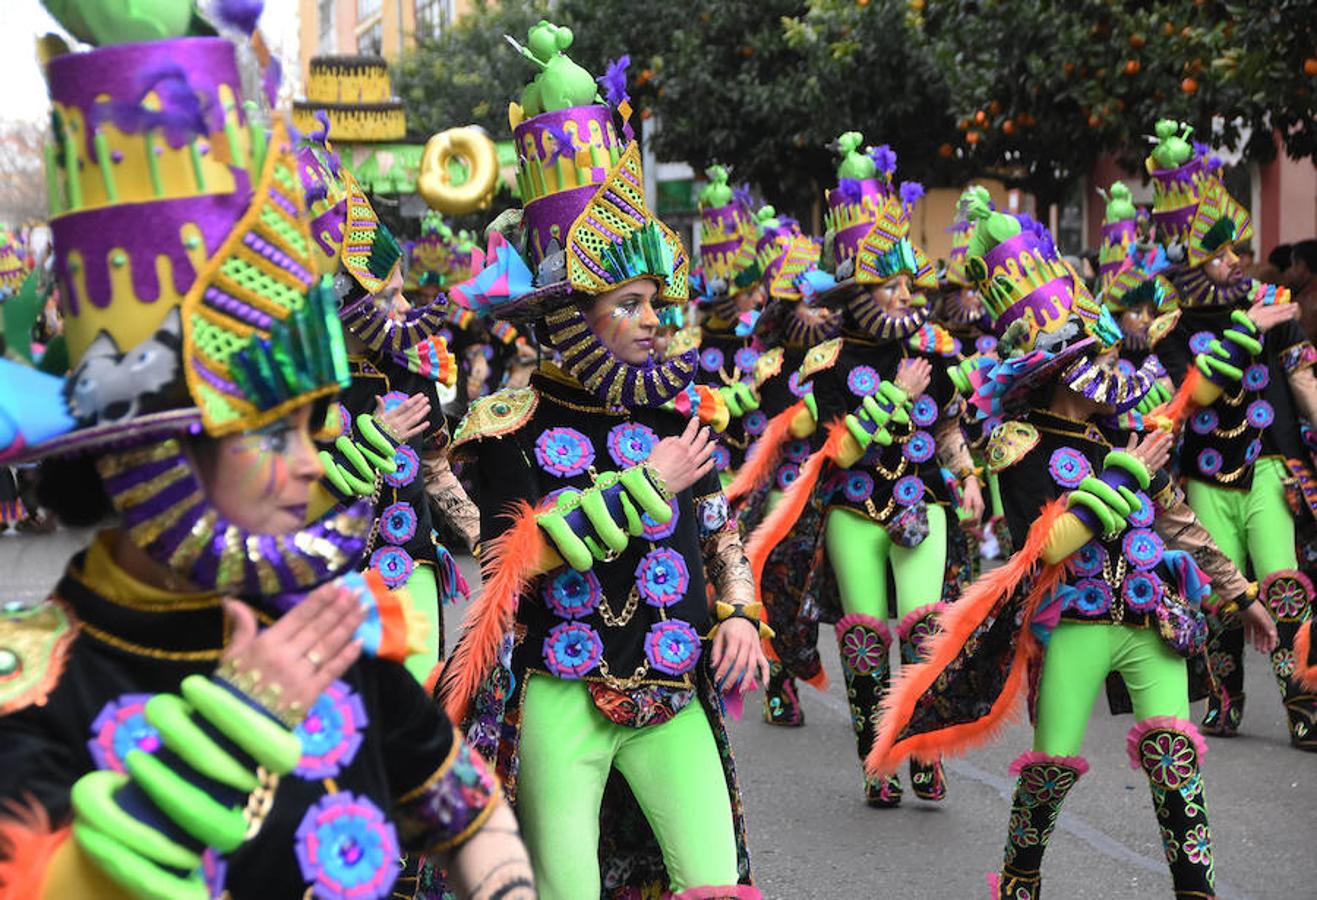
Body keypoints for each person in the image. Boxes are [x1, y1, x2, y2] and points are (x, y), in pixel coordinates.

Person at [0, 8, 530, 898]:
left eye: (310, 426)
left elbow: (468, 811)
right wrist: (238, 727)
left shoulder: (326, 624)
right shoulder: (36, 682)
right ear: (158, 456)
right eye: (271, 433)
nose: (312, 465)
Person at [427, 26, 767, 899]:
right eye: (631, 302)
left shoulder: (676, 410)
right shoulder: (504, 427)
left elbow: (718, 525)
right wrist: (646, 484)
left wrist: (735, 614)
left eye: (656, 301)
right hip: (555, 696)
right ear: (573, 314)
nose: (655, 319)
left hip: (671, 688)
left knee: (716, 884)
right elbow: (515, 557)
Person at [867, 188, 1276, 899]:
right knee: (1048, 769)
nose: (1111, 368)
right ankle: (1020, 883)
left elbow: (1175, 520)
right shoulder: (1017, 442)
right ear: (1060, 369)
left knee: (1175, 758)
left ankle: (1196, 891)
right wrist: (1126, 472)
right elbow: (1049, 543)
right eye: (1094, 355)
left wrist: (1241, 596)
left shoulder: (1118, 436)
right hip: (1076, 624)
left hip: (1151, 620)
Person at [746, 135, 983, 807]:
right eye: (892, 285)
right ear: (856, 293)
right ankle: (875, 759)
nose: (908, 294)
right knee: (863, 642)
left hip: (923, 506)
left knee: (922, 625)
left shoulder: (933, 350)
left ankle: (922, 749)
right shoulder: (827, 362)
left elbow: (946, 427)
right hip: (852, 509)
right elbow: (839, 452)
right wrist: (893, 399)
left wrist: (964, 473)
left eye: (910, 282)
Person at [1142, 122, 1317, 750]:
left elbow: (1303, 382)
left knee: (1283, 582)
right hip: (1203, 474)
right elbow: (1174, 406)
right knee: (1219, 589)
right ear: (1188, 264)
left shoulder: (1271, 302)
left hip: (1270, 462)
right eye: (1217, 255)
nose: (1232, 262)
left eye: (1233, 250)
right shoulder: (1168, 332)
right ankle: (1223, 699)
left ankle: (1306, 705)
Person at [297, 126, 478, 684]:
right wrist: (371, 438)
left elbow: (436, 470)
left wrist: (480, 535)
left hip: (410, 566)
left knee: (417, 704)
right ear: (346, 304)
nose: (404, 306)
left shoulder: (411, 369)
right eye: (389, 295)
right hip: (318, 580)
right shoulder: (297, 385)